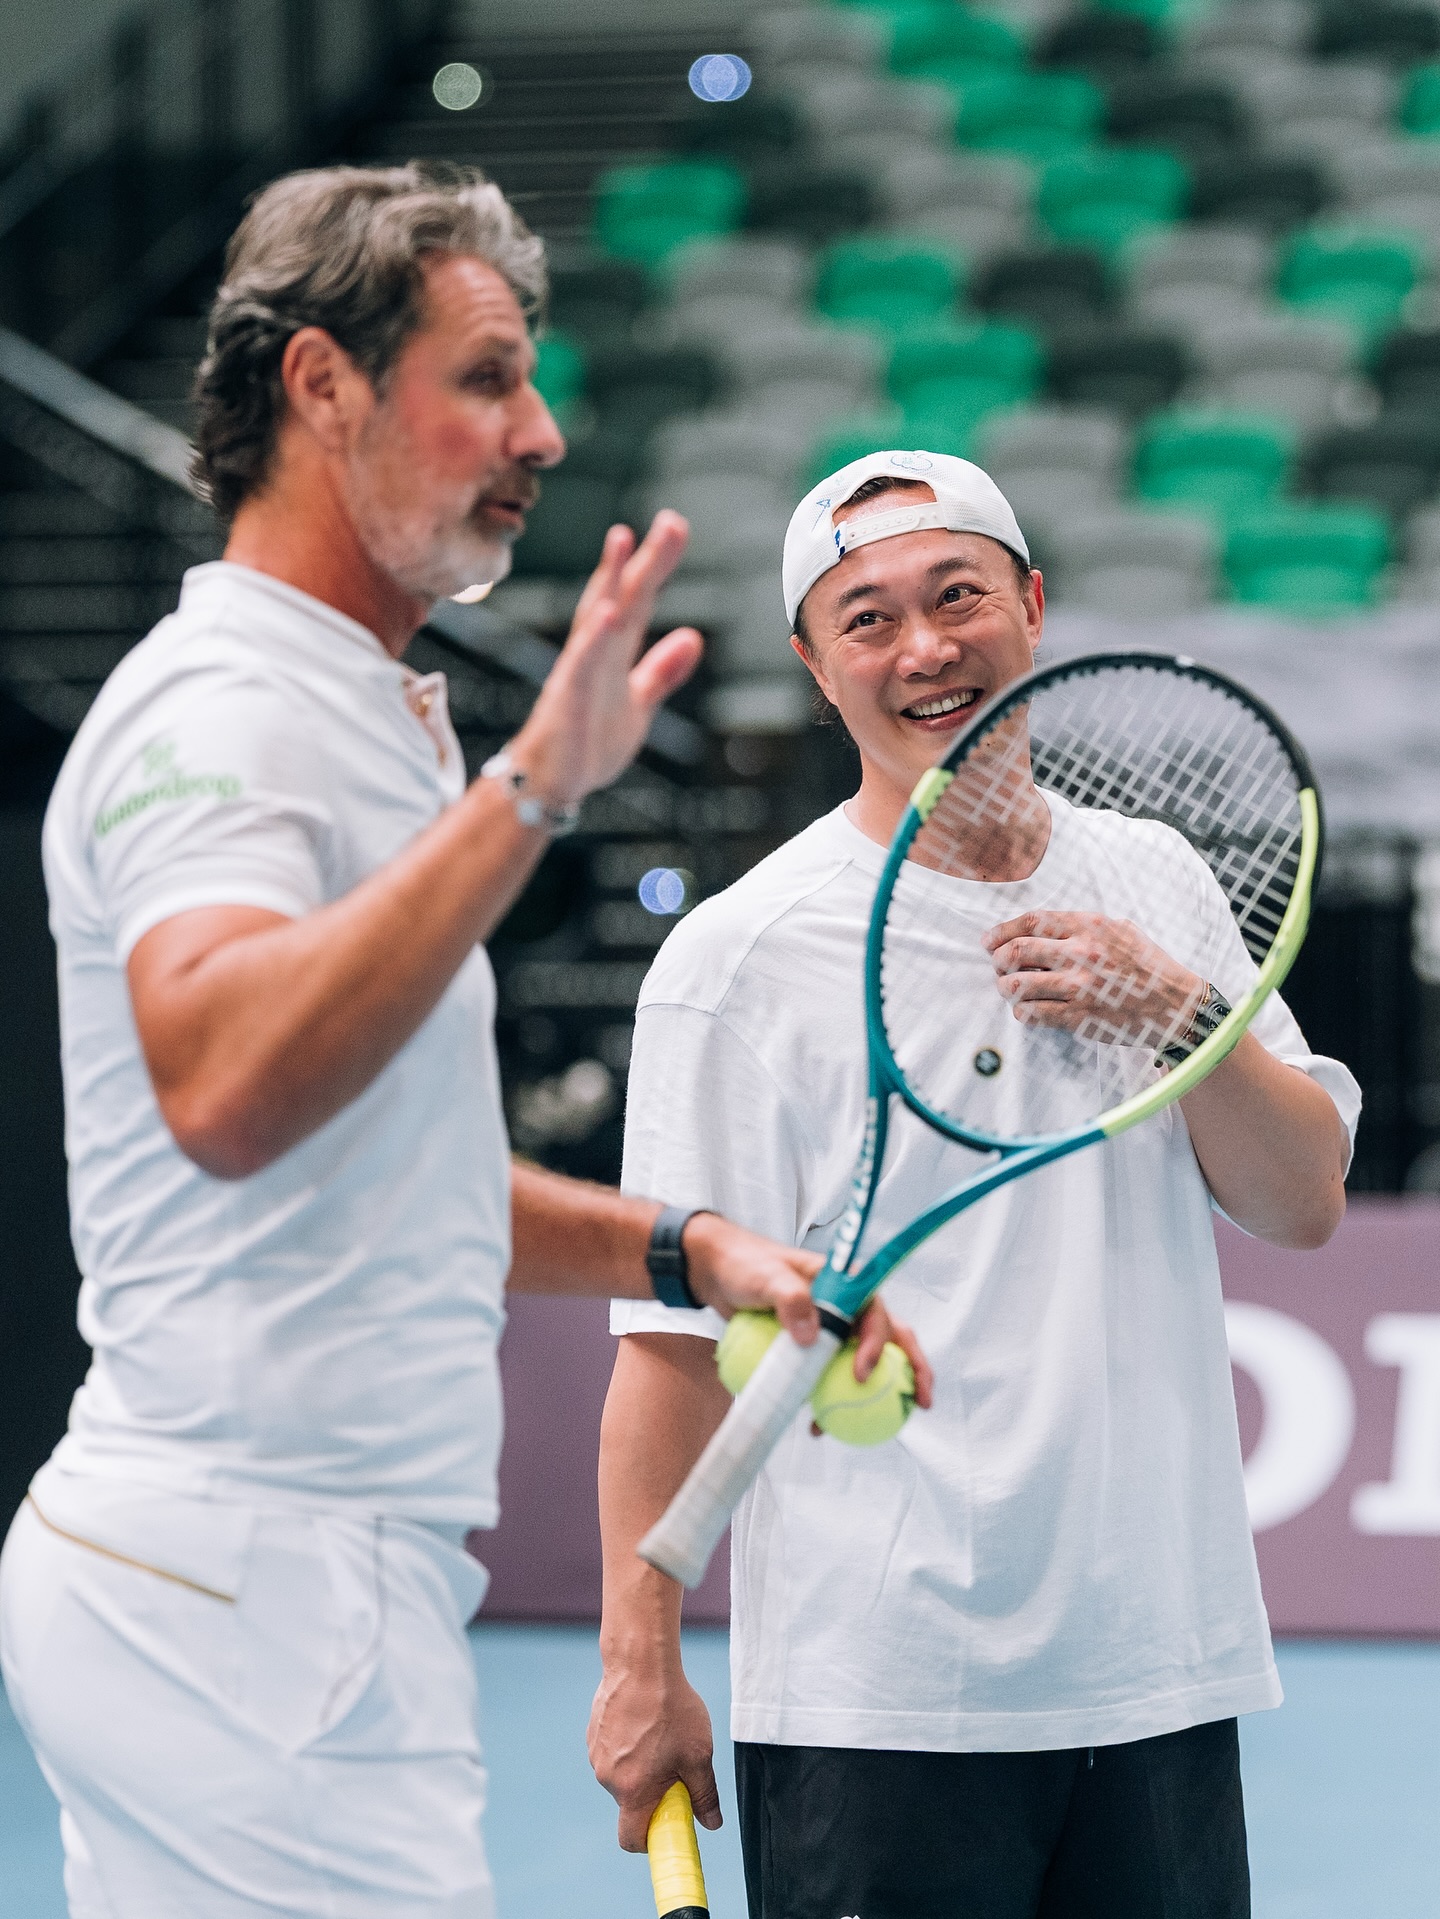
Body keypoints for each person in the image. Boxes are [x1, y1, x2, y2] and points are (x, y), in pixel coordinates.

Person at [0, 166, 920, 1919]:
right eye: (488, 377)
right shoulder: (233, 710)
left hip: (261, 1593)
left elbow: (384, 1161)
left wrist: (683, 1244)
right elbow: (225, 1085)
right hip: (248, 1599)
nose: (544, 431)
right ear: (321, 386)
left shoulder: (356, 706)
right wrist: (527, 797)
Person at [589, 450, 1361, 1919]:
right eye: (867, 619)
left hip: (1155, 1674)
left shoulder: (1162, 883)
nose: (927, 648)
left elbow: (1302, 1201)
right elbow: (669, 1348)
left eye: (957, 596)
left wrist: (1182, 1016)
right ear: (818, 670)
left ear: (1033, 606)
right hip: (878, 1703)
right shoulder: (740, 961)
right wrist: (642, 1661)